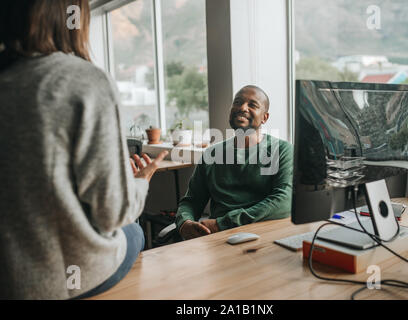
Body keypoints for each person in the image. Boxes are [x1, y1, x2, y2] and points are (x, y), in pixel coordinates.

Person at [0, 0, 167, 299]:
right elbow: (111, 214)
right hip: (56, 283)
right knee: (134, 232)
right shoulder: (80, 81)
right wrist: (140, 182)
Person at [176, 85, 293, 240]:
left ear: (265, 117)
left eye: (252, 105)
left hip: (267, 235)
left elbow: (284, 202)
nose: (242, 108)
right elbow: (191, 201)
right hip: (220, 239)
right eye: (237, 102)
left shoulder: (282, 150)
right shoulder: (212, 154)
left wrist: (222, 223)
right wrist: (185, 222)